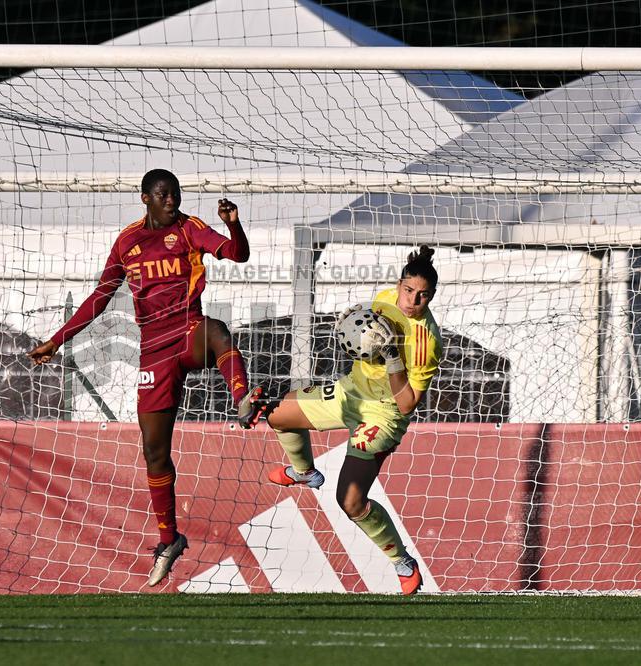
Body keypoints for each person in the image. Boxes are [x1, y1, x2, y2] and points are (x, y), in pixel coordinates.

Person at [28, 169, 268, 587]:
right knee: (154, 454)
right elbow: (100, 298)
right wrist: (55, 341)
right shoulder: (127, 242)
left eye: (174, 193)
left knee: (218, 331)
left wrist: (233, 224)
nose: (171, 200)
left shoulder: (190, 229)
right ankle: (168, 540)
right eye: (163, 194)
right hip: (153, 348)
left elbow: (236, 254)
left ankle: (243, 398)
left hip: (186, 330)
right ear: (145, 198)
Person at [262, 245, 442, 596]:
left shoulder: (426, 342)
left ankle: (402, 561)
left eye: (422, 296)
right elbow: (361, 336)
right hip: (349, 394)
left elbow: (407, 404)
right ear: (399, 284)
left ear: (431, 297)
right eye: (408, 290)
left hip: (384, 413)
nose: (412, 300)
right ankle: (304, 472)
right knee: (277, 416)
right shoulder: (385, 298)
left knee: (351, 501)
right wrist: (351, 325)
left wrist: (392, 358)